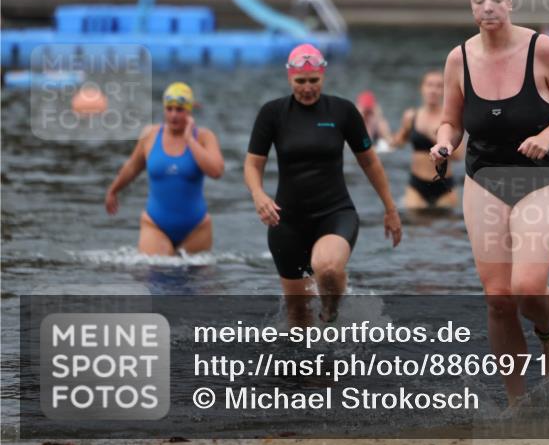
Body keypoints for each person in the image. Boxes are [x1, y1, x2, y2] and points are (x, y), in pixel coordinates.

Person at [432, 0, 549, 406]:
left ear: (510, 3)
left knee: (528, 286)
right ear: (471, 6)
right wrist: (444, 144)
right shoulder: (458, 58)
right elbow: (450, 121)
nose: (488, 8)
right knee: (498, 297)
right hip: (484, 178)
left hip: (539, 178)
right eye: (479, 1)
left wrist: (546, 135)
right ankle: (517, 404)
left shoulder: (541, 49)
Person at [244, 44, 402, 325]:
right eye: (300, 81)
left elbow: (370, 163)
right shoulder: (272, 113)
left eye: (313, 81)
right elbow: (253, 164)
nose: (307, 88)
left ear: (323, 77)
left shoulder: (342, 111)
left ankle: (331, 314)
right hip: (286, 222)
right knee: (298, 316)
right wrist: (258, 195)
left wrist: (390, 208)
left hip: (335, 213)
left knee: (326, 268)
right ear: (289, 78)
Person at [105, 82, 223, 255]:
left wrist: (190, 139)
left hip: (197, 229)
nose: (173, 115)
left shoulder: (204, 137)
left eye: (180, 109)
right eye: (169, 109)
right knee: (157, 274)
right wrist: (113, 190)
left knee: (196, 280)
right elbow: (132, 167)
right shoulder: (150, 135)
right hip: (155, 225)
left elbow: (216, 171)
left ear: (189, 111)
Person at [391, 70, 464, 211]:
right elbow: (398, 142)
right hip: (417, 184)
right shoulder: (411, 116)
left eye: (438, 86)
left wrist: (433, 136)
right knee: (416, 227)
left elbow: (458, 156)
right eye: (429, 85)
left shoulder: (450, 120)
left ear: (444, 91)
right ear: (422, 88)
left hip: (444, 185)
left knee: (446, 227)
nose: (433, 90)